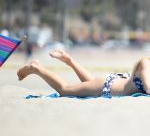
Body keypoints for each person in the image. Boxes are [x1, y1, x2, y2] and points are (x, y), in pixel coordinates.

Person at [17, 49, 150, 97]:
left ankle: (69, 61)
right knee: (64, 90)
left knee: (90, 83)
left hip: (113, 82)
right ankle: (37, 68)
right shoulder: (146, 63)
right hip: (108, 86)